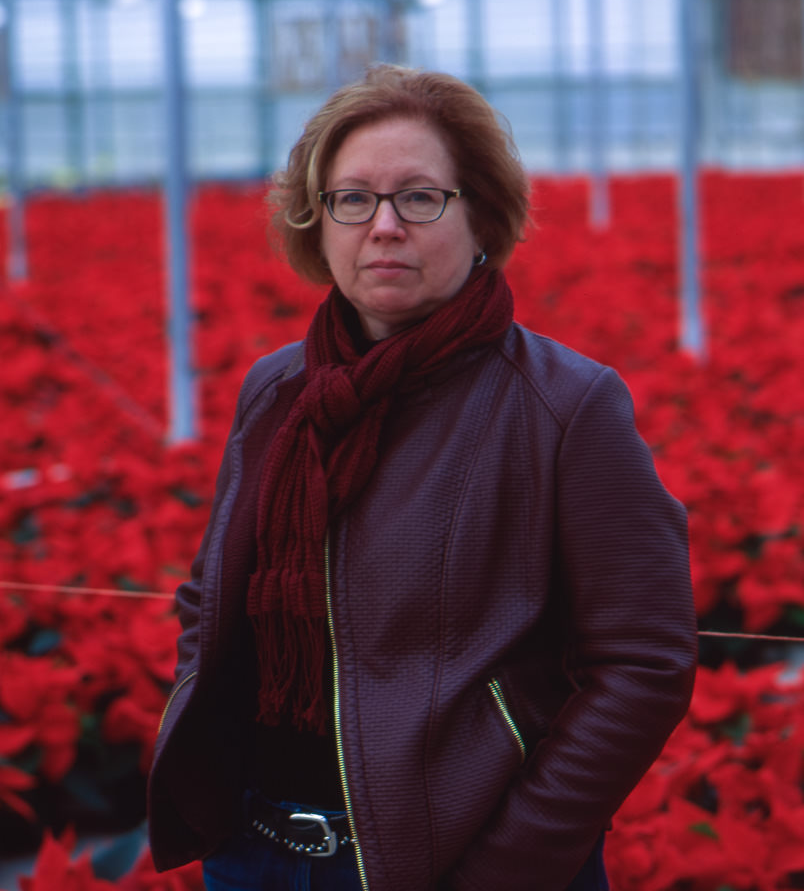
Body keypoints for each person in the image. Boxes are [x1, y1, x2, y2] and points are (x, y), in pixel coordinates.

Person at [147, 64, 697, 891]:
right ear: (318, 221)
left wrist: (514, 863)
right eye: (352, 198)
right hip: (255, 852)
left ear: (480, 217)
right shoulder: (278, 391)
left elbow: (645, 663)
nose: (384, 226)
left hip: (453, 862)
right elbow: (212, 594)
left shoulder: (563, 405)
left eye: (420, 197)